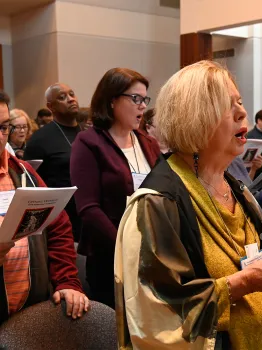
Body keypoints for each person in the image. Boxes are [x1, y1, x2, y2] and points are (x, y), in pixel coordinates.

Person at [114, 61, 262, 349]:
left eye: (240, 102)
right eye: (227, 105)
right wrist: (245, 283)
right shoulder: (156, 204)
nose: (243, 112)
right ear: (193, 116)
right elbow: (156, 315)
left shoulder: (237, 190)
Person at [71, 68, 160, 309]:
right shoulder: (89, 143)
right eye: (135, 99)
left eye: (145, 99)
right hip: (110, 259)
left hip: (152, 255)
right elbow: (88, 208)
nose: (143, 106)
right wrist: (126, 247)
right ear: (112, 101)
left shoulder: (148, 142)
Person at [0, 91, 89, 325]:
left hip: (29, 310)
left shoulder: (23, 173)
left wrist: (67, 281)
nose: (0, 137)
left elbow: (58, 229)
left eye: (3, 128)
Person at [24, 84, 82, 242]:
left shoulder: (87, 133)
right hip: (60, 224)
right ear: (51, 106)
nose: (70, 99)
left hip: (87, 217)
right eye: (62, 97)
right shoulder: (40, 140)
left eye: (72, 94)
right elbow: (31, 186)